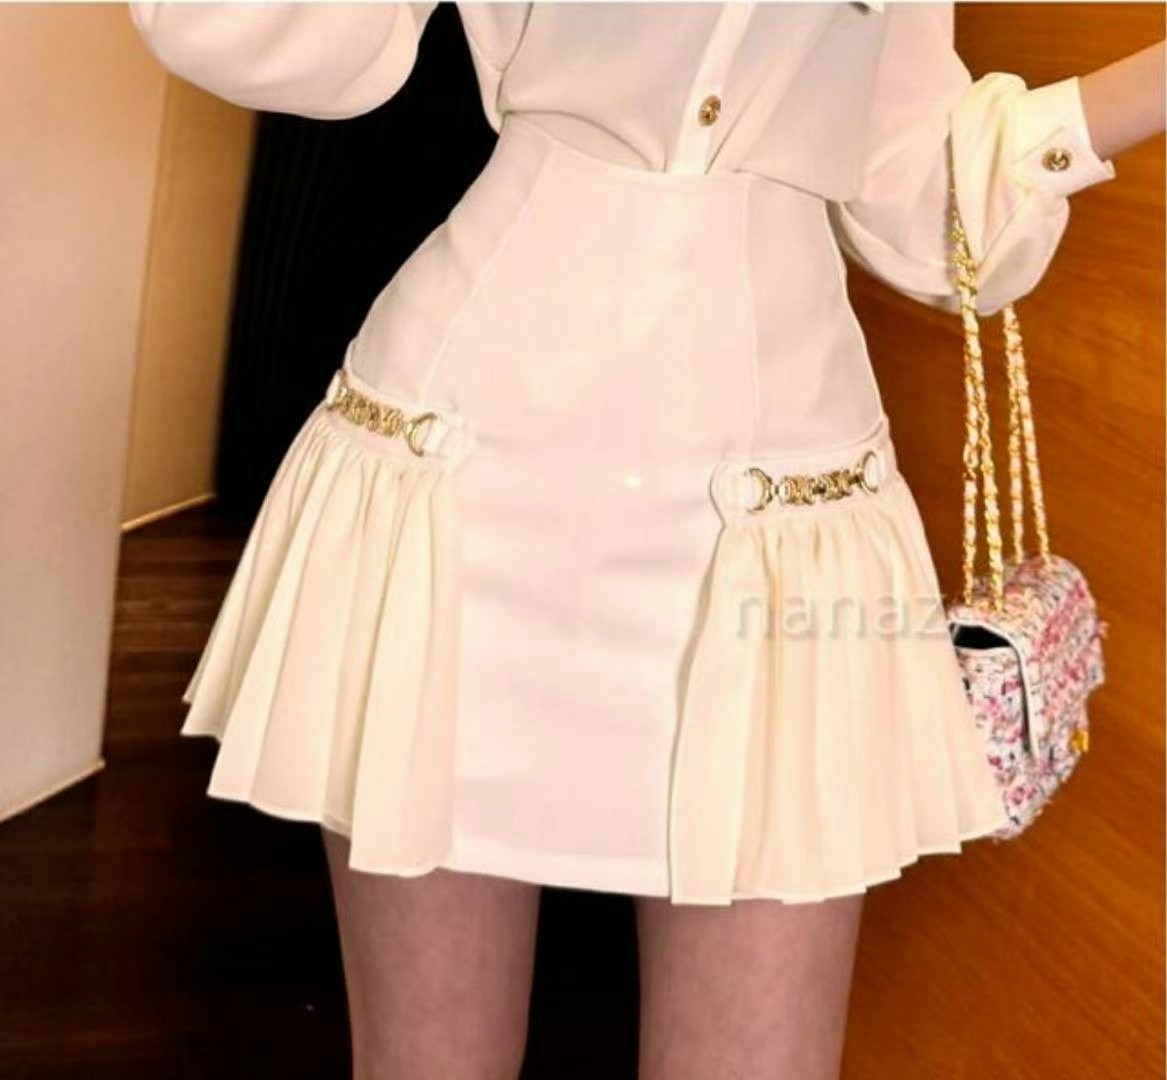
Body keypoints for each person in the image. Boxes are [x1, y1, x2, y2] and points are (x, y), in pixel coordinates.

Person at [127, 3, 1163, 1077]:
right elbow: (257, 32)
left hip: (774, 521)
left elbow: (922, 194)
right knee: (429, 1062)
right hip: (465, 482)